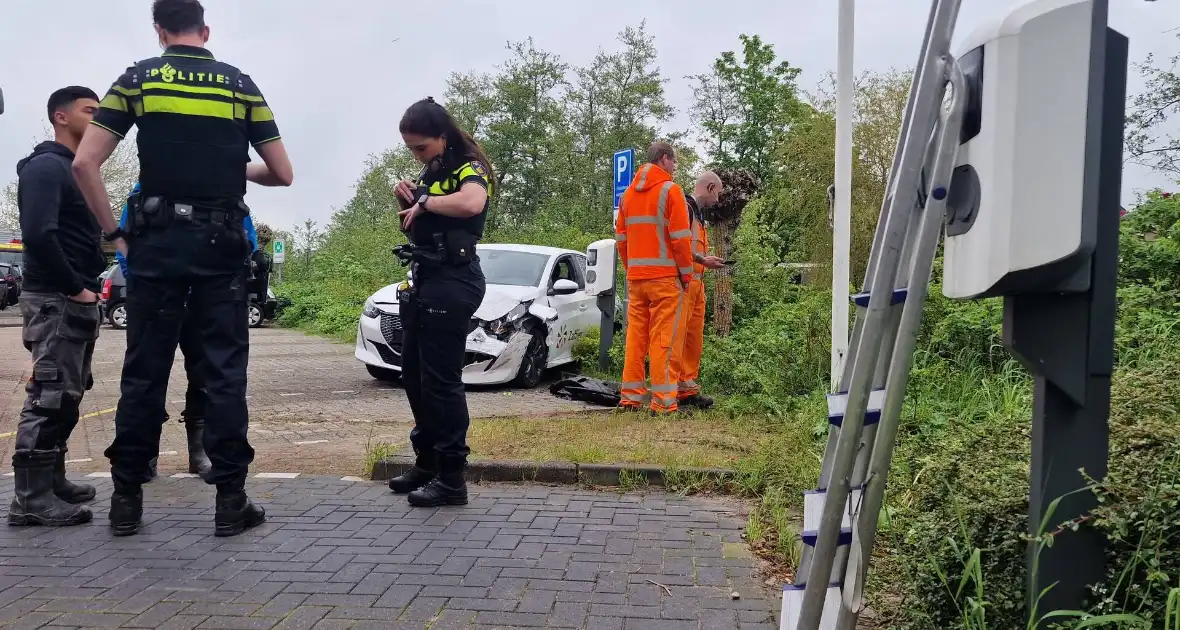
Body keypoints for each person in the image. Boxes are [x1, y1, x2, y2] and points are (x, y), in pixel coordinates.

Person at [71, 0, 294, 537]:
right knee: (222, 371)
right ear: (205, 29)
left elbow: (84, 163)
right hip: (220, 247)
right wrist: (223, 163)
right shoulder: (240, 85)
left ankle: (126, 501)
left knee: (144, 370)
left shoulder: (139, 79)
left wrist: (114, 235)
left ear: (160, 31)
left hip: (156, 246)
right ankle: (231, 502)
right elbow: (282, 173)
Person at [386, 97, 494, 507]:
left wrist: (425, 201)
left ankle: (452, 479)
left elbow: (471, 203)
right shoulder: (432, 171)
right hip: (426, 278)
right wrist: (408, 199)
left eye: (421, 147)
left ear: (443, 137)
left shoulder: (470, 168)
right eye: (411, 149)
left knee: (442, 383)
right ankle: (427, 462)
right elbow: (421, 226)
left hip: (456, 279)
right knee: (414, 376)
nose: (416, 155)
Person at [7, 86, 107, 528]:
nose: (98, 117)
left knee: (68, 392)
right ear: (61, 117)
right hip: (56, 299)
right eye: (90, 111)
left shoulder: (77, 169)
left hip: (73, 299)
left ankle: (53, 480)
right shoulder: (47, 168)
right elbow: (40, 235)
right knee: (48, 396)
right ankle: (29, 499)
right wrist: (74, 289)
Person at [113, 182, 260, 479]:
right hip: (157, 299)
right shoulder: (146, 187)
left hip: (205, 301)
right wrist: (142, 282)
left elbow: (247, 240)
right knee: (147, 379)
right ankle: (143, 458)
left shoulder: (221, 188)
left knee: (205, 378)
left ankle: (200, 451)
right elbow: (124, 243)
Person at [615, 142, 696, 415]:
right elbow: (681, 240)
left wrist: (632, 270)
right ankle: (663, 403)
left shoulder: (627, 196)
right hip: (665, 280)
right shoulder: (671, 191)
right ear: (664, 159)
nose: (674, 168)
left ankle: (631, 398)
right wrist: (687, 275)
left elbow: (621, 240)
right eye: (674, 162)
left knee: (636, 338)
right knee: (664, 340)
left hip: (637, 280)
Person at [674, 171, 726, 410]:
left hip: (697, 285)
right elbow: (679, 246)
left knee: (693, 339)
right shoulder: (685, 208)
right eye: (719, 193)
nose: (719, 199)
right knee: (678, 338)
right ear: (711, 187)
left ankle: (688, 388)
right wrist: (702, 261)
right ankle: (672, 388)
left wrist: (704, 262)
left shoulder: (698, 214)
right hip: (683, 284)